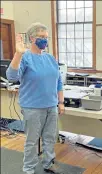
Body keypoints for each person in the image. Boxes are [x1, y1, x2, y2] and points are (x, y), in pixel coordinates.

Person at [6, 22, 65, 174]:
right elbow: (11, 77)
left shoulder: (50, 58)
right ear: (32, 38)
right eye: (41, 37)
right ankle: (29, 169)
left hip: (51, 106)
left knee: (50, 138)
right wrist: (18, 54)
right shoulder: (25, 58)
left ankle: (48, 163)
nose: (45, 40)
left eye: (46, 37)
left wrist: (61, 102)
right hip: (32, 107)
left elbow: (58, 81)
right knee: (32, 141)